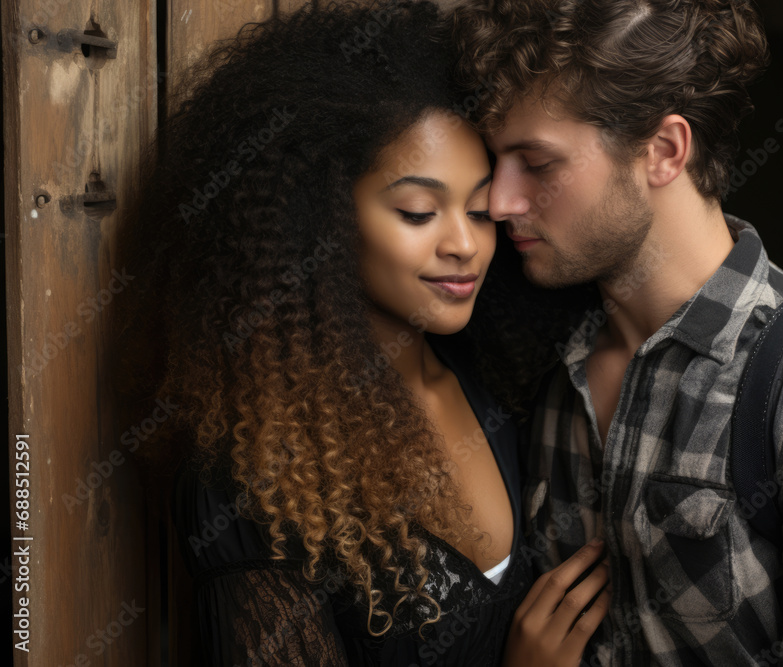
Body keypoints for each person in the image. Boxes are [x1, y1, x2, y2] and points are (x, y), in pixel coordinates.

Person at [451, 0, 783, 664]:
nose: (499, 200)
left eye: (538, 164)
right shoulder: (549, 374)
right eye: (497, 162)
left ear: (664, 150)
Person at [113, 1, 610, 665]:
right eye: (418, 211)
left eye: (480, 208)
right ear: (320, 219)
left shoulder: (501, 383)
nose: (465, 243)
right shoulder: (249, 482)